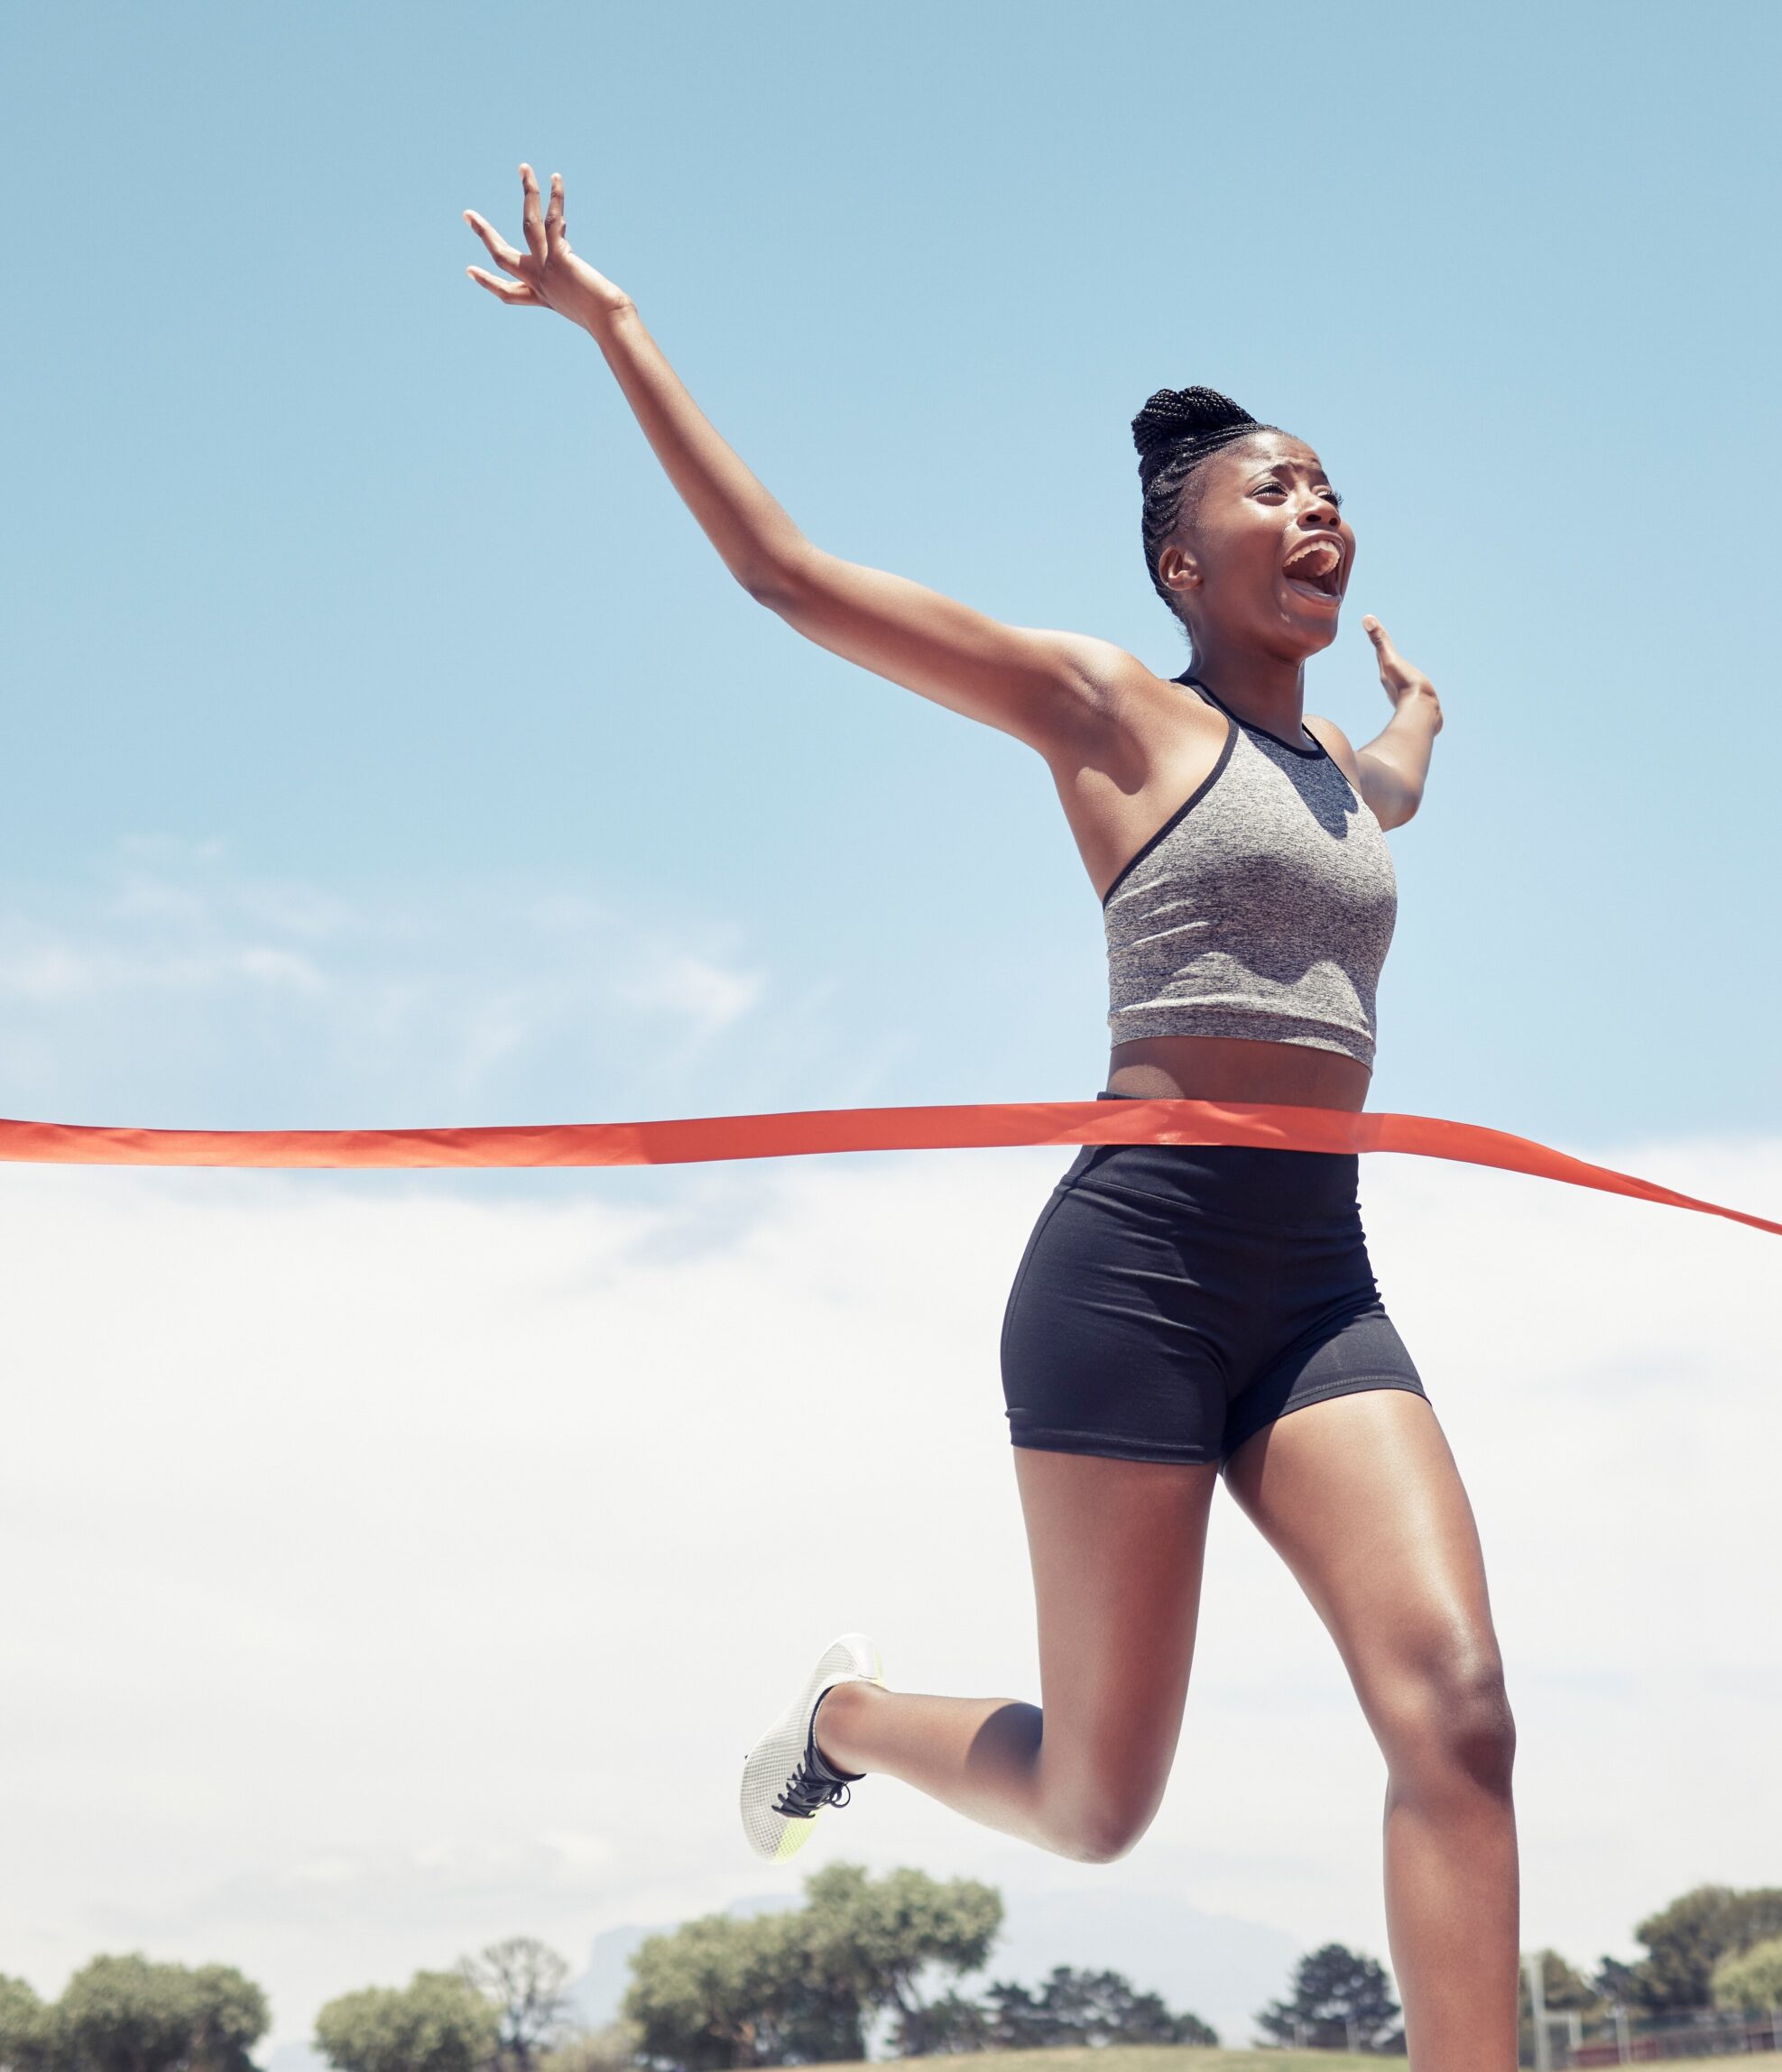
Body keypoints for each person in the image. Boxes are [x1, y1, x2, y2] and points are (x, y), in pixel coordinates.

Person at [466, 167, 1513, 2069]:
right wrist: (615, 329)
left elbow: (1391, 798)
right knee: (1101, 1805)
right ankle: (848, 1724)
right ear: (1181, 567)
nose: (1318, 505)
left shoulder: (1346, 776)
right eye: (1269, 488)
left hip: (1318, 1291)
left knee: (1458, 1718)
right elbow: (789, 579)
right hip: (1135, 1276)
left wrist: (1422, 719)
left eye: (1330, 486)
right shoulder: (1113, 710)